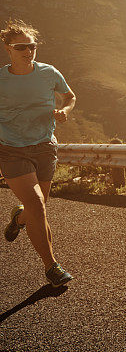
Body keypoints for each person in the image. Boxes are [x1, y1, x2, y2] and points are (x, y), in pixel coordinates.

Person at [1, 19, 75, 287]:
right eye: (21, 46)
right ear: (8, 48)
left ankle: (18, 218)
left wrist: (64, 111)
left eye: (31, 46)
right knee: (37, 205)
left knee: (36, 207)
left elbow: (70, 96)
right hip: (11, 150)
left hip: (45, 147)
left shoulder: (49, 73)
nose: (27, 51)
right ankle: (51, 266)